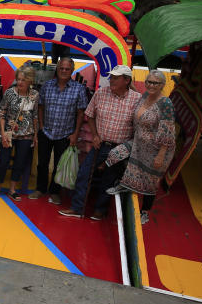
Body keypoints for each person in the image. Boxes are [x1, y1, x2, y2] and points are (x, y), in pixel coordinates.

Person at [59, 64, 141, 221]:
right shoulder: (101, 93)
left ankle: (100, 210)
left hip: (121, 147)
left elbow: (140, 126)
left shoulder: (136, 99)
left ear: (127, 80)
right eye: (111, 77)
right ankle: (77, 207)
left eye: (116, 78)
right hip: (101, 144)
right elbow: (90, 115)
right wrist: (95, 135)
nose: (112, 80)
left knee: (109, 179)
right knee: (84, 173)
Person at [106, 69, 176, 225]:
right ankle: (124, 184)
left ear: (162, 85)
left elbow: (168, 131)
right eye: (148, 82)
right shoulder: (145, 96)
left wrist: (161, 155)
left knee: (150, 180)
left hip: (157, 149)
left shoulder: (166, 104)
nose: (151, 85)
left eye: (155, 83)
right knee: (114, 154)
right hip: (139, 142)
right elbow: (134, 95)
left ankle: (145, 211)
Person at [30, 57, 88, 205]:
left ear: (72, 70)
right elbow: (41, 107)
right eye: (61, 68)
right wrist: (41, 126)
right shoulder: (47, 86)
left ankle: (54, 192)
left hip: (65, 133)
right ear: (57, 69)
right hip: (47, 131)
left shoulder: (78, 89)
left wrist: (75, 134)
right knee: (42, 163)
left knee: (59, 165)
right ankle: (40, 189)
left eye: (67, 69)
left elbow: (81, 113)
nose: (63, 71)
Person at [0, 67, 39, 201]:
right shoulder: (10, 93)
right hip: (9, 133)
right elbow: (2, 113)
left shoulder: (34, 94)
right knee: (4, 160)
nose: (20, 82)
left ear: (30, 80)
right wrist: (3, 133)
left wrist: (35, 135)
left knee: (20, 162)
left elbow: (35, 116)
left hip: (26, 134)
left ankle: (12, 189)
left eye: (24, 80)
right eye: (18, 79)